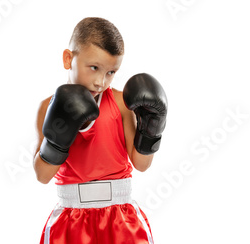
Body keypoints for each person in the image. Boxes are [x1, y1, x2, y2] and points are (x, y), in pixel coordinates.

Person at [32, 17, 167, 244]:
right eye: (94, 68)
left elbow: (142, 164)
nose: (100, 82)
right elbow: (42, 175)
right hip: (71, 217)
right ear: (68, 59)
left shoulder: (121, 102)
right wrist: (58, 138)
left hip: (121, 218)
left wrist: (152, 128)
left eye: (111, 72)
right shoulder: (48, 106)